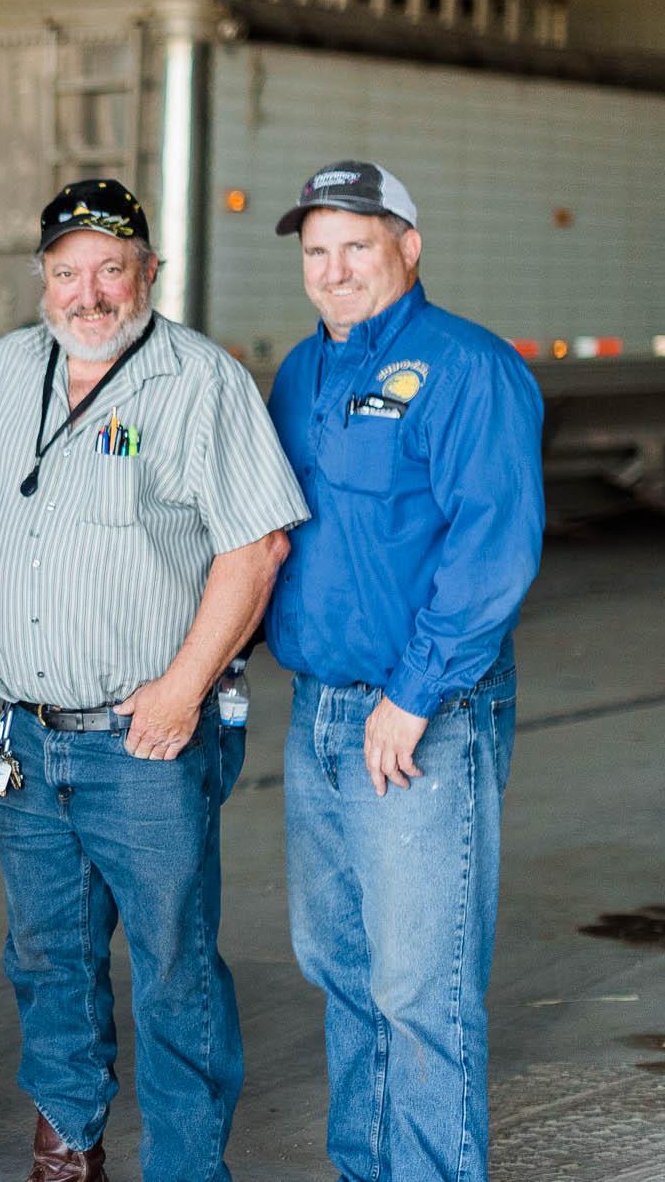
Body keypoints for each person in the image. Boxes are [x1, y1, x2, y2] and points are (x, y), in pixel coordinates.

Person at [0, 178, 309, 1182]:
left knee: (171, 964)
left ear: (148, 271)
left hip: (144, 738)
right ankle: (66, 1144)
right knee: (46, 954)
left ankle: (187, 1166)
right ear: (42, 280)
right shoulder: (3, 369)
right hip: (24, 738)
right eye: (67, 271)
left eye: (111, 268)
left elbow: (255, 546)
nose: (88, 292)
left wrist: (182, 689)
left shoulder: (199, 379)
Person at [265, 161, 544, 1182]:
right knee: (340, 968)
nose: (334, 269)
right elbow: (284, 537)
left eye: (356, 245)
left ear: (407, 247)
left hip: (420, 715)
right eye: (316, 250)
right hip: (318, 713)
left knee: (418, 984)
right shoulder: (300, 371)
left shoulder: (466, 365)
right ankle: (364, 1166)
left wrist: (411, 694)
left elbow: (493, 544)